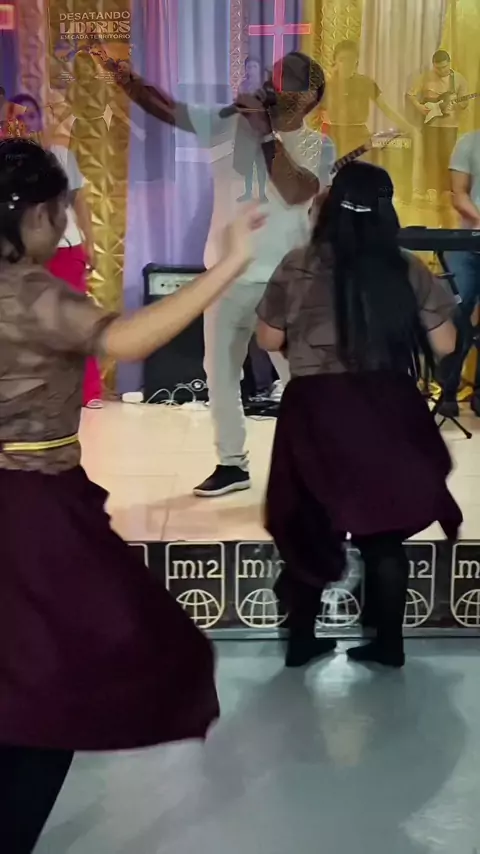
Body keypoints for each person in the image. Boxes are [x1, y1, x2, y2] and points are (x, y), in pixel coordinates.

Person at [0, 138, 264, 852]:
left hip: (34, 504)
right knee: (59, 687)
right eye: (60, 211)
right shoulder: (33, 292)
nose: (64, 224)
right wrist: (229, 266)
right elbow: (126, 341)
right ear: (35, 214)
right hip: (32, 509)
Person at [256, 161, 462, 670]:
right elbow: (445, 343)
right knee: (383, 531)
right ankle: (388, 644)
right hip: (385, 406)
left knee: (308, 526)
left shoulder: (298, 263)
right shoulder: (405, 266)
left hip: (315, 410)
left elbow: (268, 339)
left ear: (329, 207)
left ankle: (302, 641)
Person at [115, 50, 336, 496]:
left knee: (300, 379)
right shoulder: (227, 124)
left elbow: (296, 192)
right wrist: (121, 74)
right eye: (276, 78)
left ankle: (317, 465)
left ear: (312, 97)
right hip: (225, 276)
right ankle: (232, 464)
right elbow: (166, 108)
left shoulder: (318, 145)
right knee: (219, 374)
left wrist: (267, 133)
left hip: (285, 281)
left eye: (290, 82)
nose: (276, 87)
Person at [47, 142, 103, 407]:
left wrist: (90, 241)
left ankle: (88, 390)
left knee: (75, 317)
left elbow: (79, 200)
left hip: (65, 247)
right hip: (19, 248)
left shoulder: (60, 154)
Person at [436, 129, 480, 418]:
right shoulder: (470, 142)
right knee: (455, 315)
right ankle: (448, 390)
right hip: (468, 243)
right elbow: (459, 193)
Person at [322, 40, 412, 158]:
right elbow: (311, 112)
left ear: (357, 61)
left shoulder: (366, 83)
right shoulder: (327, 86)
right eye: (342, 60)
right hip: (334, 137)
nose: (346, 64)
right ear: (335, 61)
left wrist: (409, 127)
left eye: (350, 59)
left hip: (359, 136)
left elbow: (386, 108)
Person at [407, 50, 468, 204]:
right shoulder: (425, 77)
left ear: (449, 64)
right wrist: (419, 107)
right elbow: (410, 94)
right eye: (438, 68)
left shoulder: (459, 79)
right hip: (431, 124)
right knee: (430, 157)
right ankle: (431, 190)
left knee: (448, 157)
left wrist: (457, 104)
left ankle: (446, 191)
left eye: (444, 67)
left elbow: (464, 104)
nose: (441, 71)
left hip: (450, 125)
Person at [234, 57, 269, 203]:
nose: (251, 70)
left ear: (259, 69)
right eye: (249, 67)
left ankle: (262, 194)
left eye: (254, 66)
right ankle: (247, 192)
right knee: (247, 163)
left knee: (261, 163)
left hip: (261, 129)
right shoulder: (242, 86)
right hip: (246, 129)